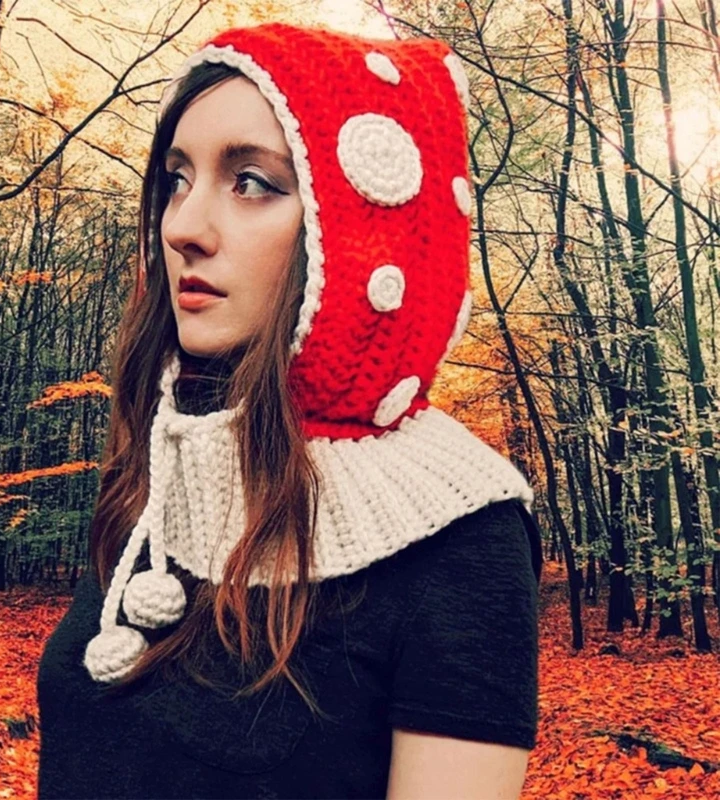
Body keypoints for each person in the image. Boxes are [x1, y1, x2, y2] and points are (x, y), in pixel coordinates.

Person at [36, 21, 543, 800]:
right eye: (176, 179)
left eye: (252, 182)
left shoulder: (462, 536)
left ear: (362, 229)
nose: (182, 226)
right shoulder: (164, 468)